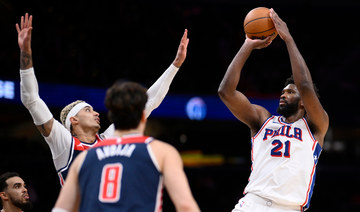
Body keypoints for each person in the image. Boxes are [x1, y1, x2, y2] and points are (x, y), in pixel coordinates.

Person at [16, 13, 189, 186]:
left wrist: (176, 64)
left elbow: (148, 103)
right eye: (88, 110)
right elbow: (31, 99)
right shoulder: (64, 143)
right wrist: (26, 51)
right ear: (73, 120)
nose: (96, 113)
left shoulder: (107, 140)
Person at [218, 8, 329, 212]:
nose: (283, 94)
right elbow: (226, 91)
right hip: (252, 203)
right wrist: (247, 45)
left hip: (289, 208)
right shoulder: (262, 119)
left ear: (304, 101)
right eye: (282, 91)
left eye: (289, 92)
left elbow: (304, 85)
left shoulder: (316, 126)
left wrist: (288, 39)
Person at [51, 81, 200, 212]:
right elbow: (185, 205)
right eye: (88, 110)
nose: (96, 113)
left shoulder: (84, 159)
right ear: (142, 117)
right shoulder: (159, 150)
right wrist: (176, 65)